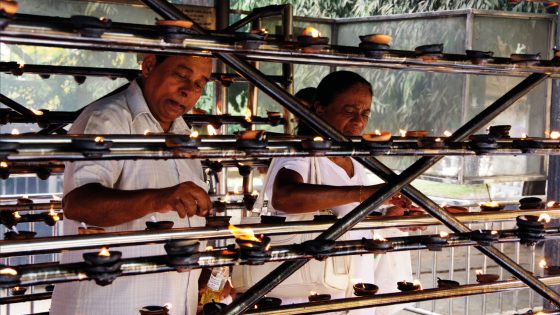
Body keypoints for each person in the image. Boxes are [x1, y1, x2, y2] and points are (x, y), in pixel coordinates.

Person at [50, 54, 213, 315]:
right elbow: (78, 204)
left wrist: (197, 278)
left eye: (199, 84)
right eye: (181, 75)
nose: (187, 91)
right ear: (149, 66)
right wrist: (159, 199)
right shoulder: (107, 120)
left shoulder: (183, 135)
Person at [264, 71, 412, 315]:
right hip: (308, 288)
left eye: (365, 113)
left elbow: (349, 215)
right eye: (349, 111)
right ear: (320, 108)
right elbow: (284, 197)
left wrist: (388, 216)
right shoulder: (301, 151)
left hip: (352, 285)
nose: (359, 121)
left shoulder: (356, 158)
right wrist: (363, 193)